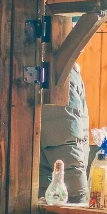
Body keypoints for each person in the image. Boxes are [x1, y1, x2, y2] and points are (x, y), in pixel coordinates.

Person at [40, 62, 90, 204]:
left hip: (49, 190)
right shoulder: (61, 74)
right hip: (54, 196)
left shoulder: (64, 71)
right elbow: (65, 142)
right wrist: (79, 196)